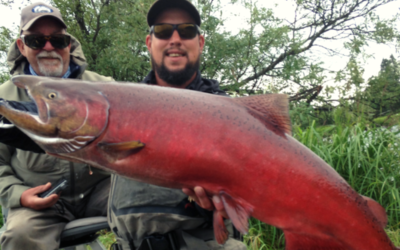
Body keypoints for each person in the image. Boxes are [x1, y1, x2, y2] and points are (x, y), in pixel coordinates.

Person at [107, 1, 247, 249]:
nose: (175, 39)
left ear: (200, 42)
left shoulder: (229, 115)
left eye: (186, 30)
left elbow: (247, 197)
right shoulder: (123, 106)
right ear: (150, 43)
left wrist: (226, 206)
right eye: (162, 31)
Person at [0, 2, 113, 250]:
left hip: (101, 191)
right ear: (21, 45)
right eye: (36, 41)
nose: (49, 48)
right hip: (39, 200)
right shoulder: (4, 99)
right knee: (20, 235)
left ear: (69, 44)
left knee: (147, 208)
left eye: (58, 41)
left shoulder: (104, 88)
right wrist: (18, 194)